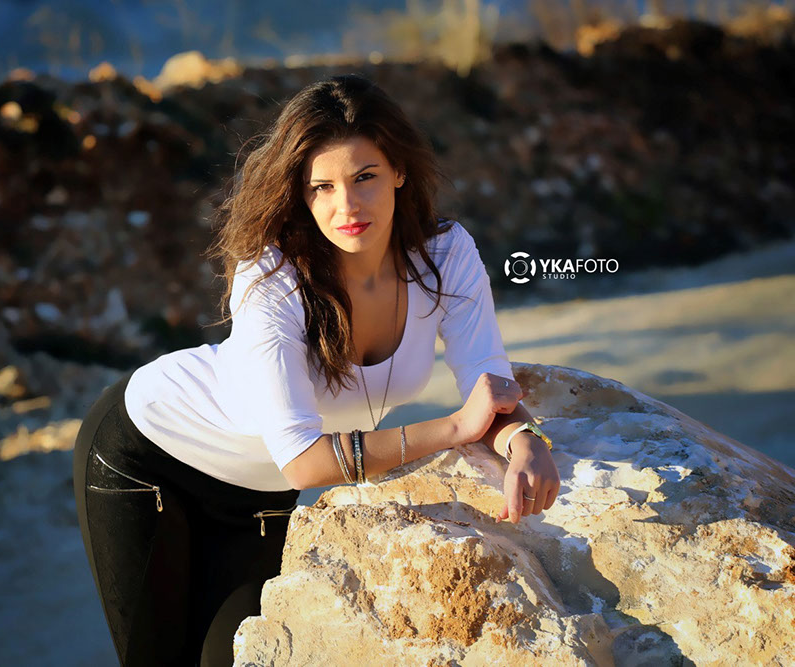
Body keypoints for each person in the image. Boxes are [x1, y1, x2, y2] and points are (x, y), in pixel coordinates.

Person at [73, 73, 561, 667]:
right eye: (322, 187)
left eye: (365, 177)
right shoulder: (274, 276)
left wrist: (524, 440)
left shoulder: (446, 255)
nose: (346, 206)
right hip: (150, 453)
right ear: (300, 194)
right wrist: (456, 428)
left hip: (261, 493)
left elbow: (487, 379)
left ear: (399, 171)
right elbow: (304, 460)